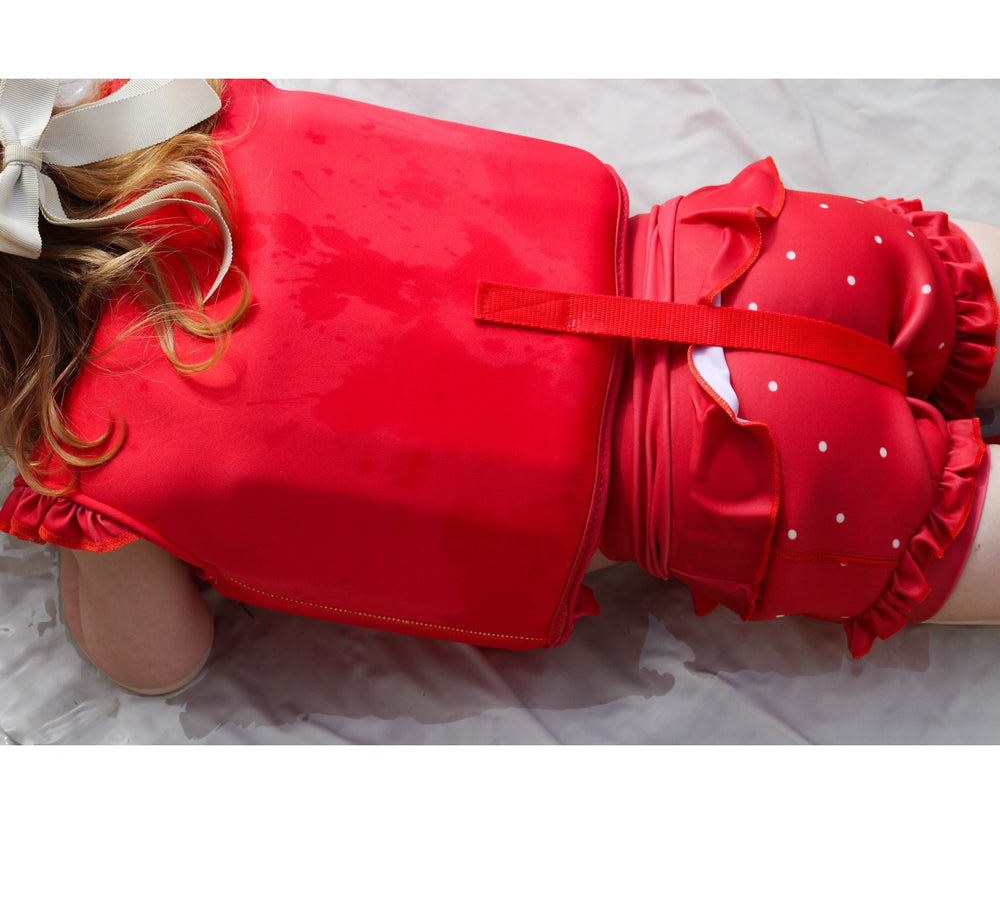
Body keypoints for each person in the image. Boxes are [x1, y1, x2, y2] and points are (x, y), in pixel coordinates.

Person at [1, 78, 998, 696]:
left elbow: (156, 664)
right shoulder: (167, 116)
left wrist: (77, 534)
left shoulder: (92, 464)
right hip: (759, 251)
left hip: (738, 474)